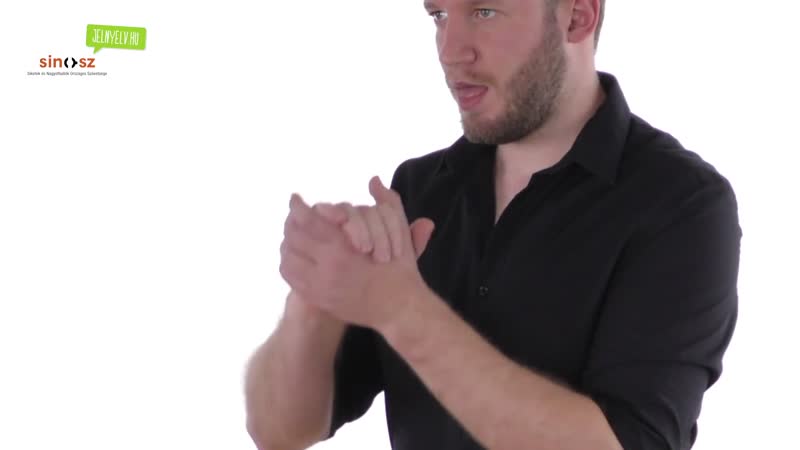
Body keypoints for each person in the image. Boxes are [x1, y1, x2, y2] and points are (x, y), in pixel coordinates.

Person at [244, 0, 742, 449]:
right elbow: (278, 431)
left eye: (483, 12)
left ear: (577, 16)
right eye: (439, 15)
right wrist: (313, 301)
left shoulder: (682, 204)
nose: (450, 52)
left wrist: (403, 311)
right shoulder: (420, 189)